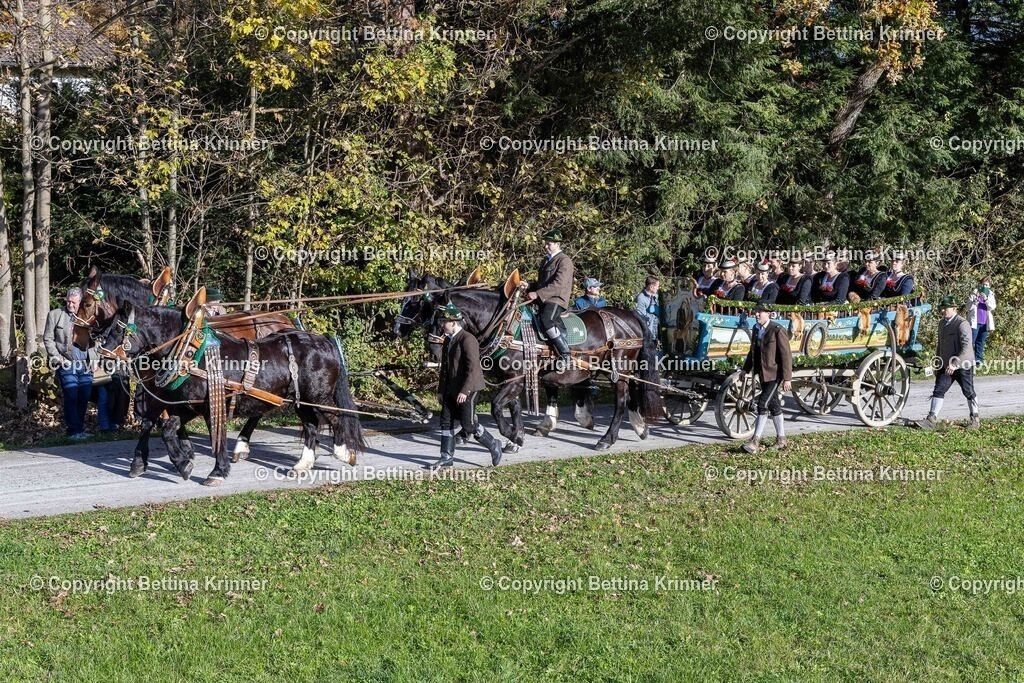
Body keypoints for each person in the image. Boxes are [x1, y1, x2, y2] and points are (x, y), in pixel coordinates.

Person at [432, 303, 503, 470]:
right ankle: (446, 457)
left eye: (445, 322)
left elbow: (473, 368)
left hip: (468, 388)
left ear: (454, 322)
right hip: (450, 388)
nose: (442, 324)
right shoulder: (448, 340)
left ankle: (494, 444)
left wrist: (465, 391)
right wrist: (441, 391)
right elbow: (445, 369)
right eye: (442, 321)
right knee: (445, 422)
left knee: (468, 425)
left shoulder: (467, 339)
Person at [917, 295, 979, 430]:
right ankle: (931, 419)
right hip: (946, 364)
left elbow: (967, 347)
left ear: (954, 308)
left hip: (963, 365)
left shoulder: (962, 323)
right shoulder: (941, 324)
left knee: (968, 391)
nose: (943, 311)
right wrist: (937, 363)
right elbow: (940, 345)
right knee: (939, 389)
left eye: (946, 308)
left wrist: (955, 363)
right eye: (942, 308)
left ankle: (975, 418)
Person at [43, 287, 96, 439]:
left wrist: (94, 359)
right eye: (68, 301)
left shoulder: (88, 317)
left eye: (74, 302)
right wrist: (57, 358)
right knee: (71, 396)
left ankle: (78, 429)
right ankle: (74, 431)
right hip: (66, 363)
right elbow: (48, 339)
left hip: (85, 364)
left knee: (84, 397)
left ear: (80, 302)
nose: (70, 304)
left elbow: (96, 341)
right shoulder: (55, 315)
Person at [740, 304, 793, 452]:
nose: (756, 314)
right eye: (756, 311)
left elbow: (786, 356)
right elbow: (752, 352)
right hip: (763, 374)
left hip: (775, 375)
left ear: (769, 314)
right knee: (774, 405)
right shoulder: (757, 329)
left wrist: (787, 378)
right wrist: (745, 369)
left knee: (762, 404)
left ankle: (754, 441)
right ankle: (781, 439)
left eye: (760, 312)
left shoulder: (777, 330)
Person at [524, 229, 575, 361]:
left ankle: (565, 355)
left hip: (556, 300)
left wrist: (537, 294)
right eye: (546, 243)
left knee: (546, 319)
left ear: (558, 244)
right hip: (543, 299)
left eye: (549, 244)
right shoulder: (545, 261)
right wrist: (528, 286)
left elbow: (558, 285)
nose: (546, 246)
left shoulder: (564, 261)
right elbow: (542, 284)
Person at [967, 277, 996, 364]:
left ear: (989, 286)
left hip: (985, 322)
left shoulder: (990, 294)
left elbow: (992, 307)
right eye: (983, 284)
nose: (984, 286)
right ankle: (969, 359)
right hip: (975, 322)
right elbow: (968, 307)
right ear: (980, 284)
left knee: (980, 342)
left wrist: (986, 299)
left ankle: (978, 360)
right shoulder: (974, 293)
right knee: (971, 342)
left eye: (986, 285)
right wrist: (975, 301)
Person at [634, 276, 661, 341]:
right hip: (647, 334)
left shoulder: (656, 297)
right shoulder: (641, 298)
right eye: (657, 286)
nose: (658, 288)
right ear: (651, 287)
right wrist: (650, 314)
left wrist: (658, 311)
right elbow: (640, 318)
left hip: (656, 333)